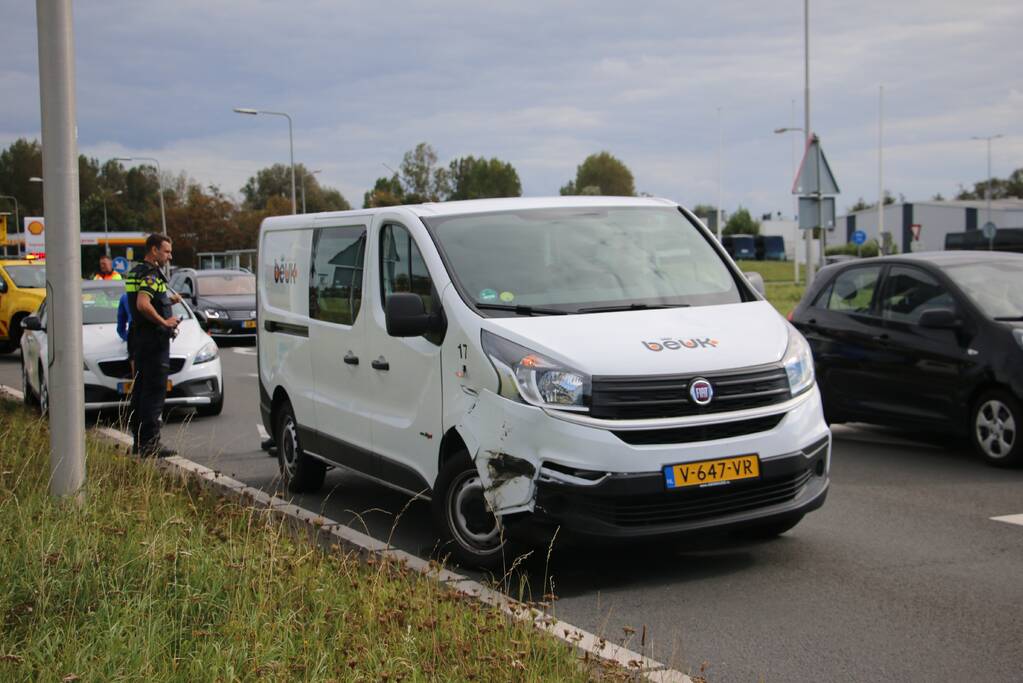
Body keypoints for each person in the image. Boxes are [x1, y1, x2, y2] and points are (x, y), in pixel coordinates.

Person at [125, 234, 180, 458]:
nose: (169, 256)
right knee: (154, 392)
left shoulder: (136, 271)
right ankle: (150, 443)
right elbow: (143, 304)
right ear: (154, 250)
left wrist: (168, 300)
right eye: (166, 251)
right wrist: (164, 321)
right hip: (153, 340)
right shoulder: (150, 274)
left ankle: (139, 441)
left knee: (140, 391)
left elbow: (147, 298)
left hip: (140, 339)